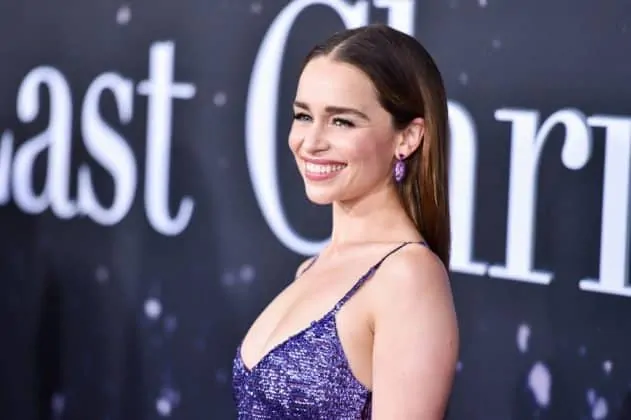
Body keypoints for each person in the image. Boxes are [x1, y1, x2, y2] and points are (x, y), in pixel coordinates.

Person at [233, 23, 459, 419]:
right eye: (303, 116)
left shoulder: (407, 277)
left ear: (407, 138)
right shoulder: (312, 268)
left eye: (342, 122)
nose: (311, 142)